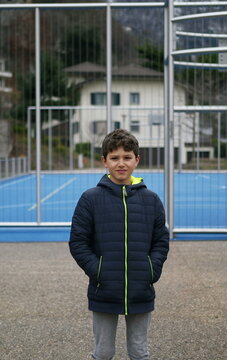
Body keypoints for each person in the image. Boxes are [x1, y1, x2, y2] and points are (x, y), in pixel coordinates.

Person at [69, 129, 170, 360]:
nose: (121, 163)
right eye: (114, 158)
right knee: (103, 352)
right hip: (104, 289)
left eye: (127, 157)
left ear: (137, 160)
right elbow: (78, 242)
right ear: (104, 161)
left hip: (140, 289)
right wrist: (99, 271)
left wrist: (151, 269)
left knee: (139, 351)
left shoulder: (151, 200)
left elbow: (160, 241)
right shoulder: (91, 198)